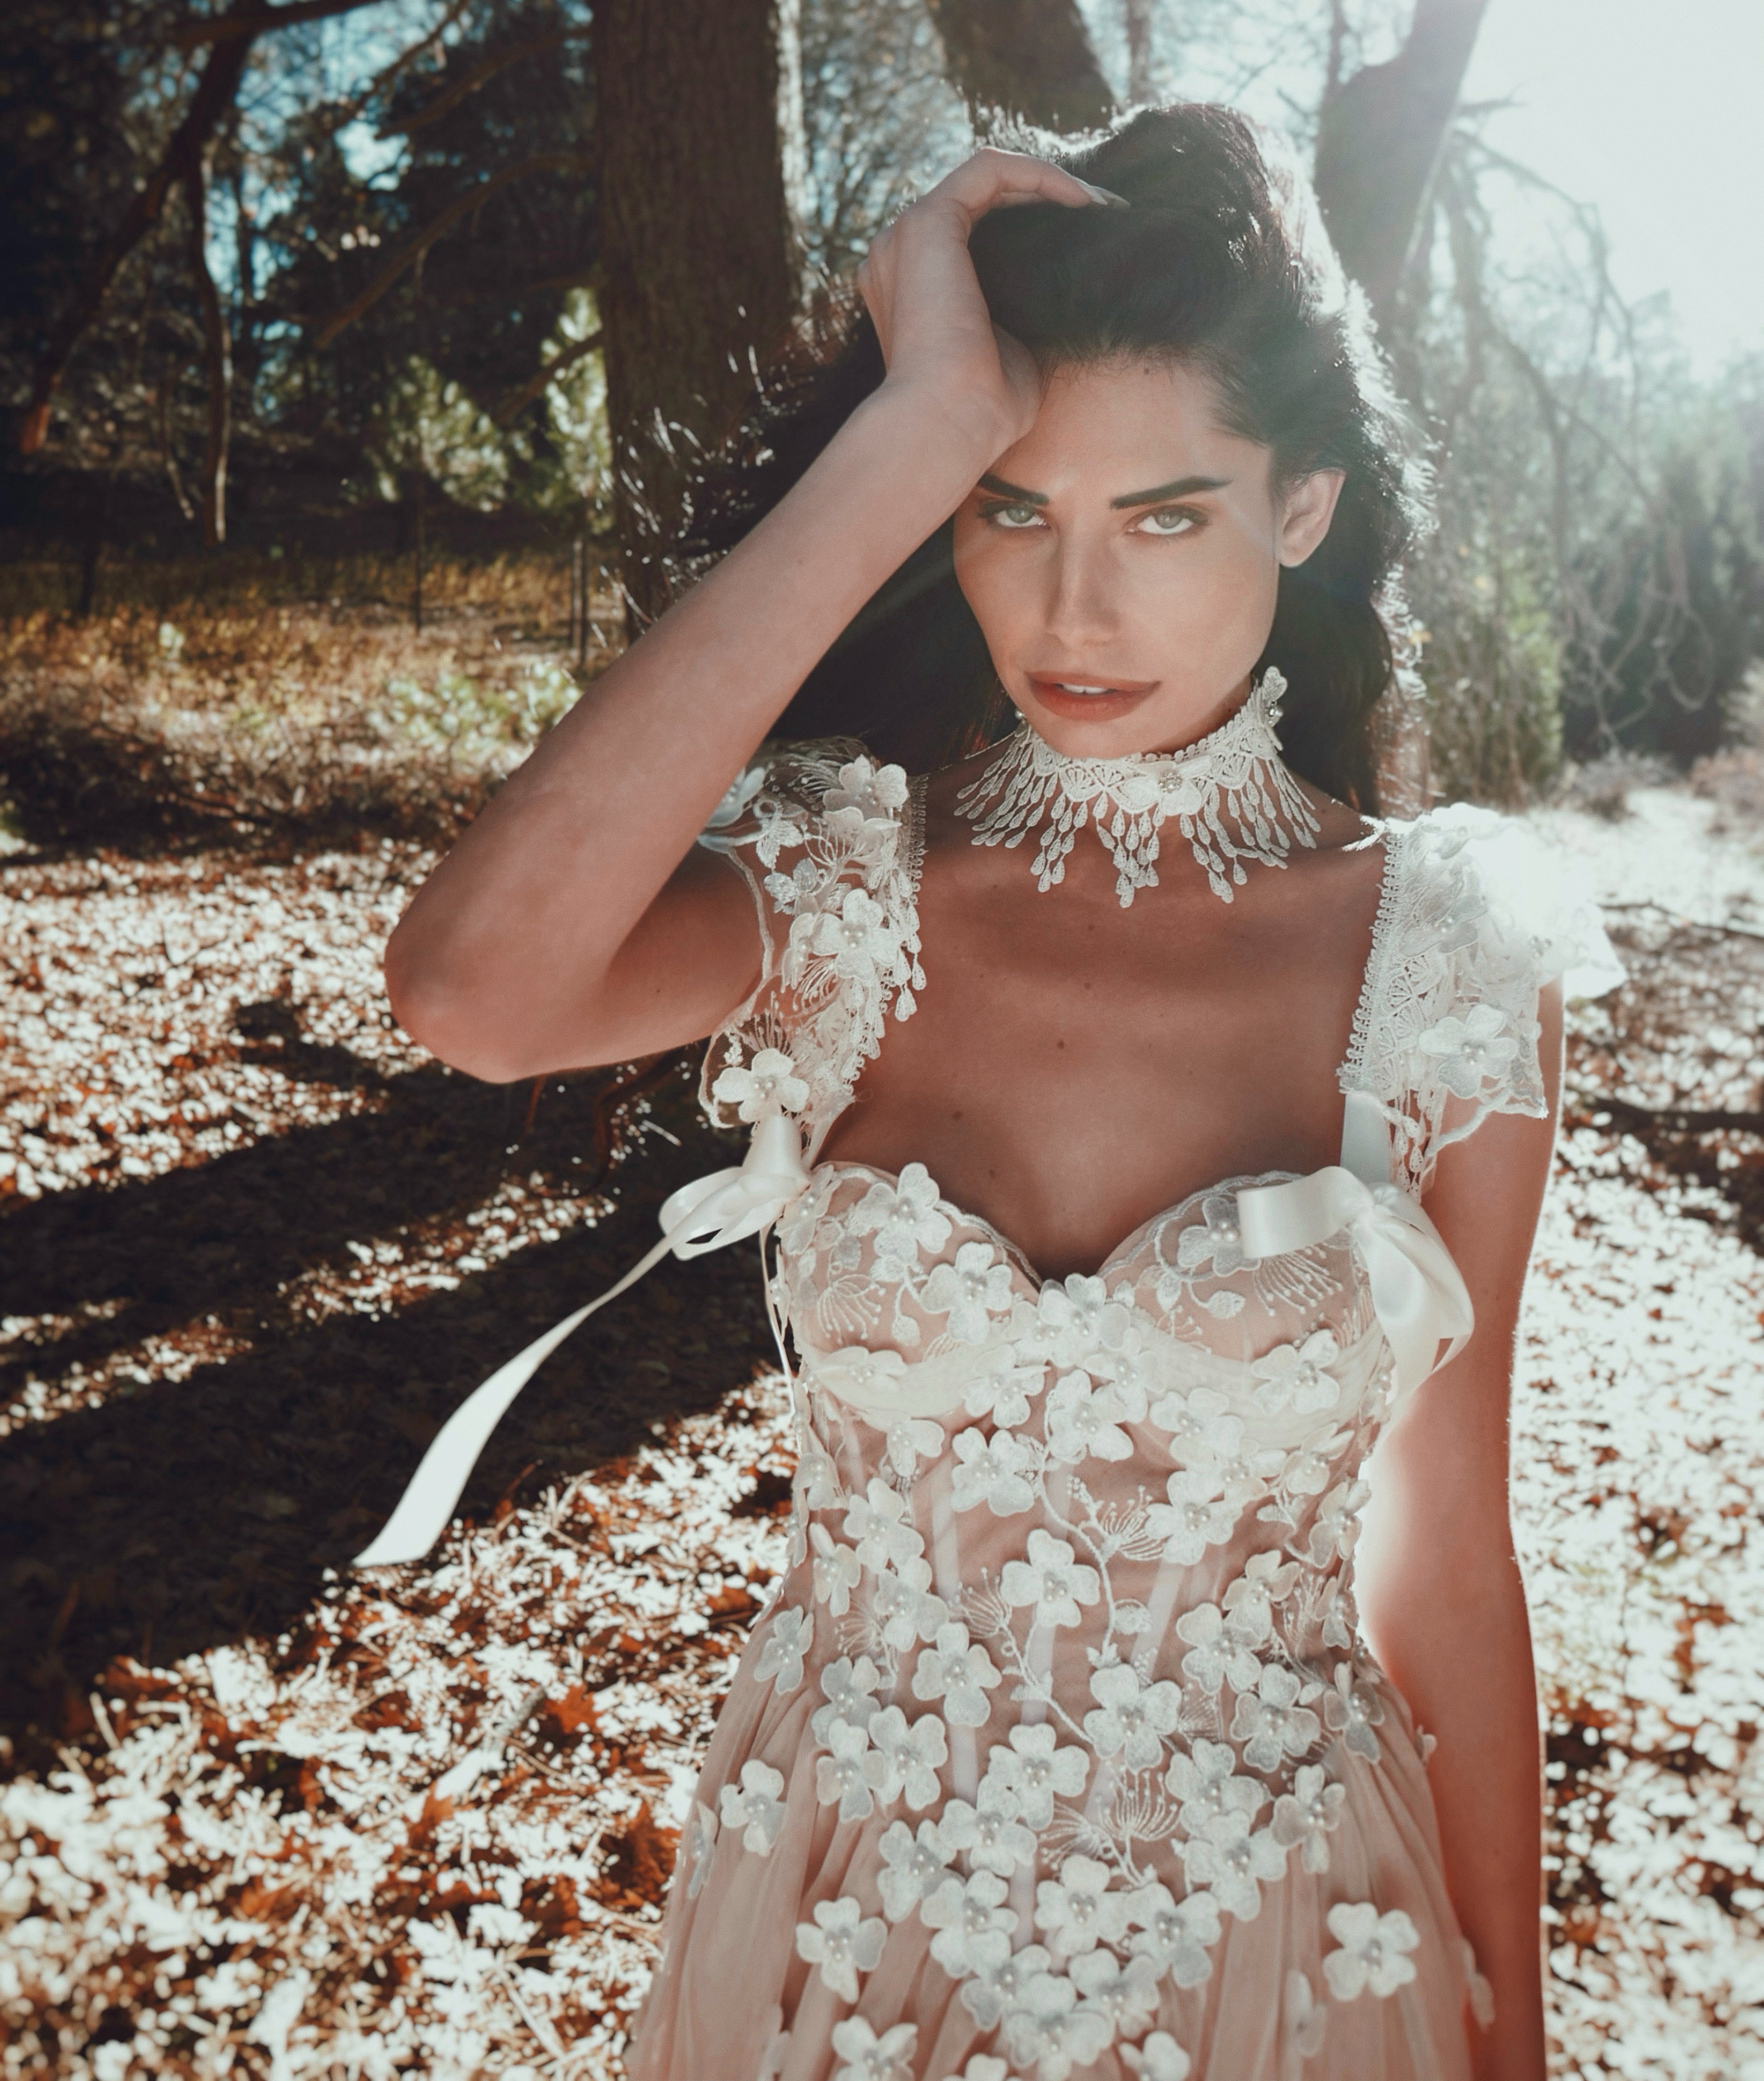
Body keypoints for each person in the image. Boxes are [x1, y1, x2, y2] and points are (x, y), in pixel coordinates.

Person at [381, 108, 1620, 2081]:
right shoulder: (841, 885)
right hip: (833, 1914)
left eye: (1166, 514)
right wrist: (907, 427)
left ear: (1301, 505)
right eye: (1010, 506)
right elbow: (470, 988)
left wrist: (1512, 2028)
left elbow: (1445, 1548)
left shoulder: (1445, 957)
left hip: (1288, 1945)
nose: (1071, 612)